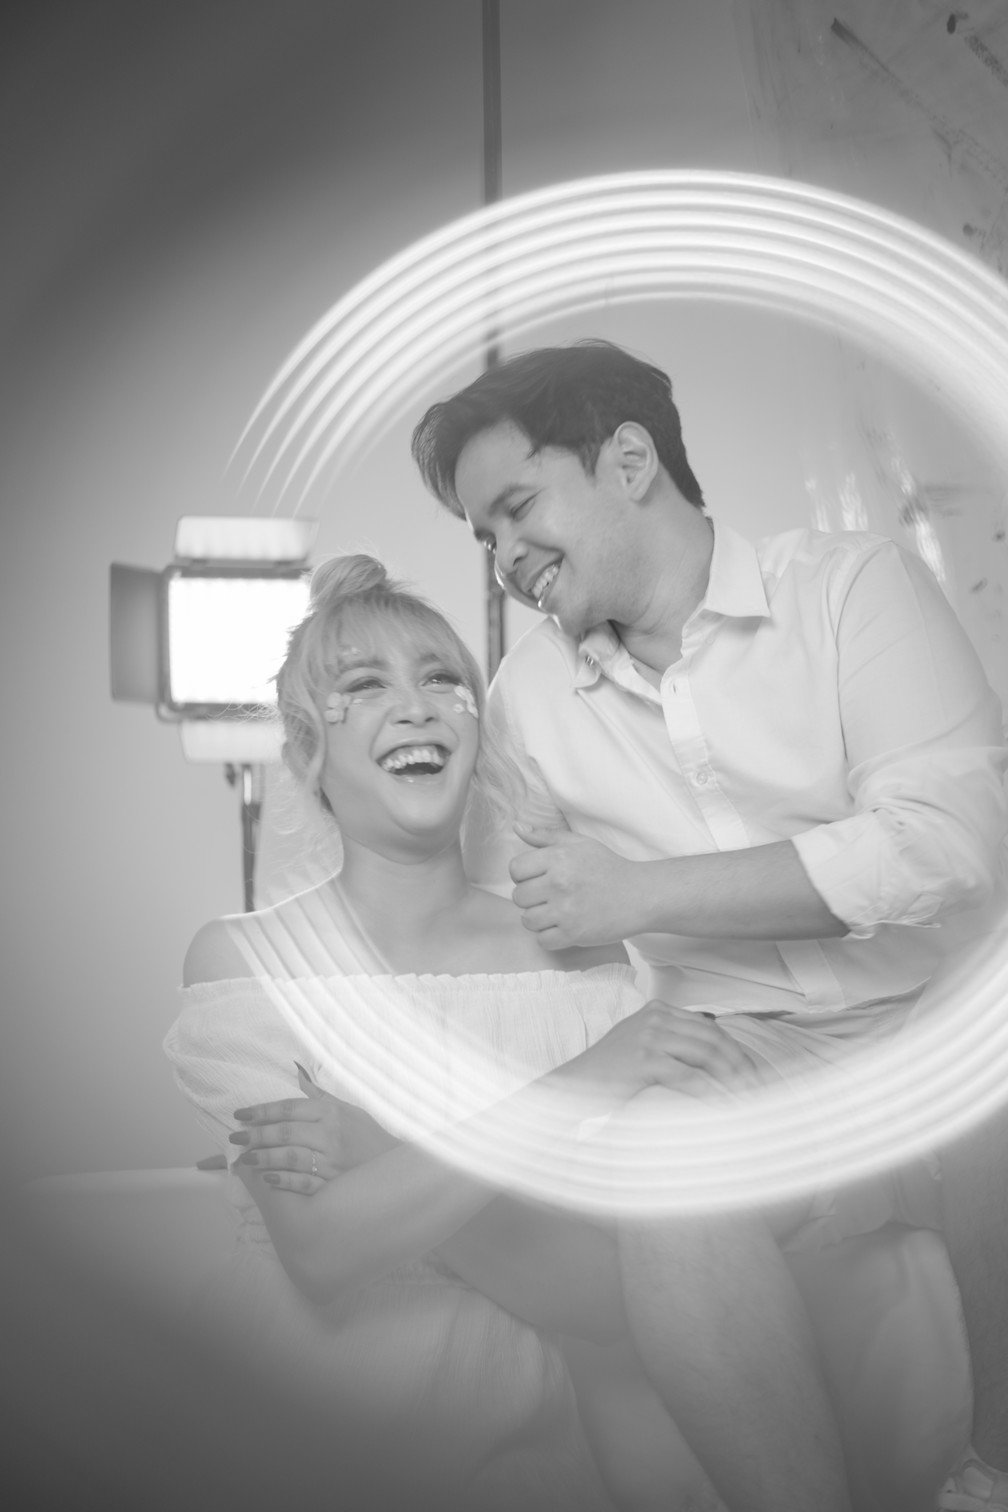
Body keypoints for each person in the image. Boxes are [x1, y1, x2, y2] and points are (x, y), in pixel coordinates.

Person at [406, 339, 1008, 1512]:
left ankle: (991, 1476)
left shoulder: (852, 588)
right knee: (662, 1159)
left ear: (630, 461)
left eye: (519, 509)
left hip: (944, 1015)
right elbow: (497, 921)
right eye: (485, 538)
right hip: (739, 1059)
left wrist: (640, 895)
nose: (506, 558)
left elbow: (948, 841)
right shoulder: (525, 703)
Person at [166, 553, 763, 1512]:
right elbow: (324, 1255)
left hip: (525, 1439)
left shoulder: (576, 960)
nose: (417, 707)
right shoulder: (246, 961)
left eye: (442, 679)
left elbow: (606, 1299)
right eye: (365, 686)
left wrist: (381, 1155)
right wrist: (571, 1088)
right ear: (308, 751)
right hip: (296, 1424)